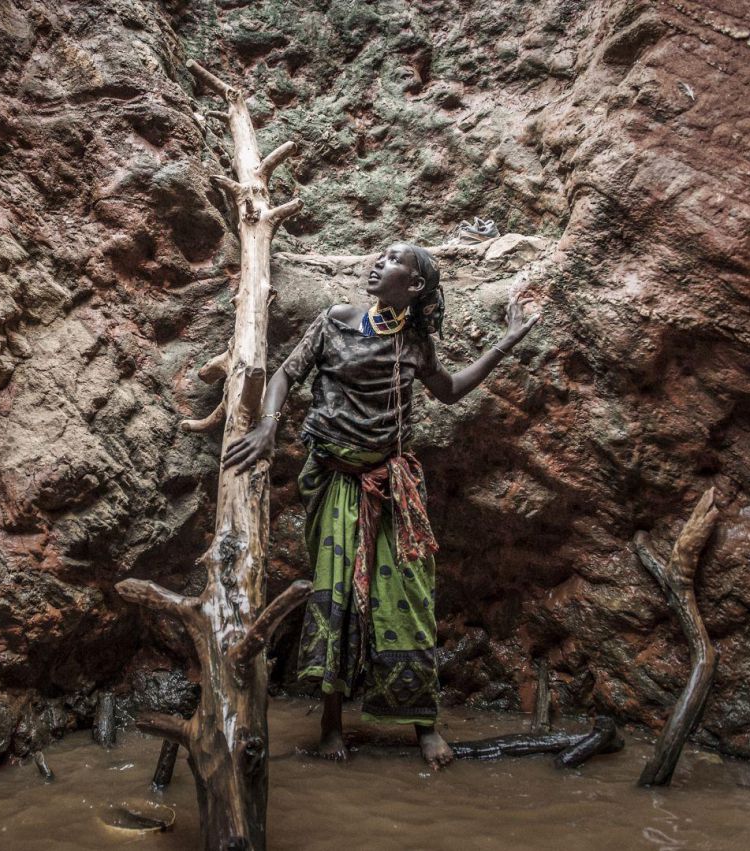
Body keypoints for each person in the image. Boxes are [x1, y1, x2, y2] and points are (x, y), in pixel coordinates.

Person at [223, 241, 540, 769]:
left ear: (414, 287)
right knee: (337, 593)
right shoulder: (335, 322)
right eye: (379, 255)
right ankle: (330, 724)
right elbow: (285, 376)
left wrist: (506, 343)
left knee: (408, 598)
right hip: (335, 479)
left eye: (393, 260)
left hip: (391, 486)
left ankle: (425, 726)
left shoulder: (415, 343)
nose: (377, 262)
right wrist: (268, 426)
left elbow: (451, 390)